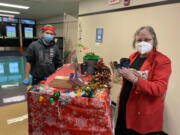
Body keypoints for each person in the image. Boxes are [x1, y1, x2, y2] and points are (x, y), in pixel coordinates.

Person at [114, 26, 171, 135]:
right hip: (125, 108)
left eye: (147, 40)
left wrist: (135, 79)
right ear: (134, 42)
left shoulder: (162, 61)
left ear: (154, 41)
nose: (142, 43)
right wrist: (122, 74)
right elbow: (130, 78)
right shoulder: (133, 56)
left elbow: (159, 89)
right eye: (139, 40)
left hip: (143, 113)